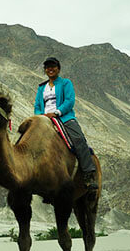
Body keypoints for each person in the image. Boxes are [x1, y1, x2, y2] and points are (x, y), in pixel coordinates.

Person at [34, 57, 99, 190]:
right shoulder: (42, 88)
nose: (50, 69)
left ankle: (88, 174)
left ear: (58, 68)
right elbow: (37, 105)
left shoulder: (65, 83)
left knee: (79, 139)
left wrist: (57, 112)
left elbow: (69, 100)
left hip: (64, 118)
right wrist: (40, 115)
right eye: (47, 67)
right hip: (44, 119)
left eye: (53, 66)